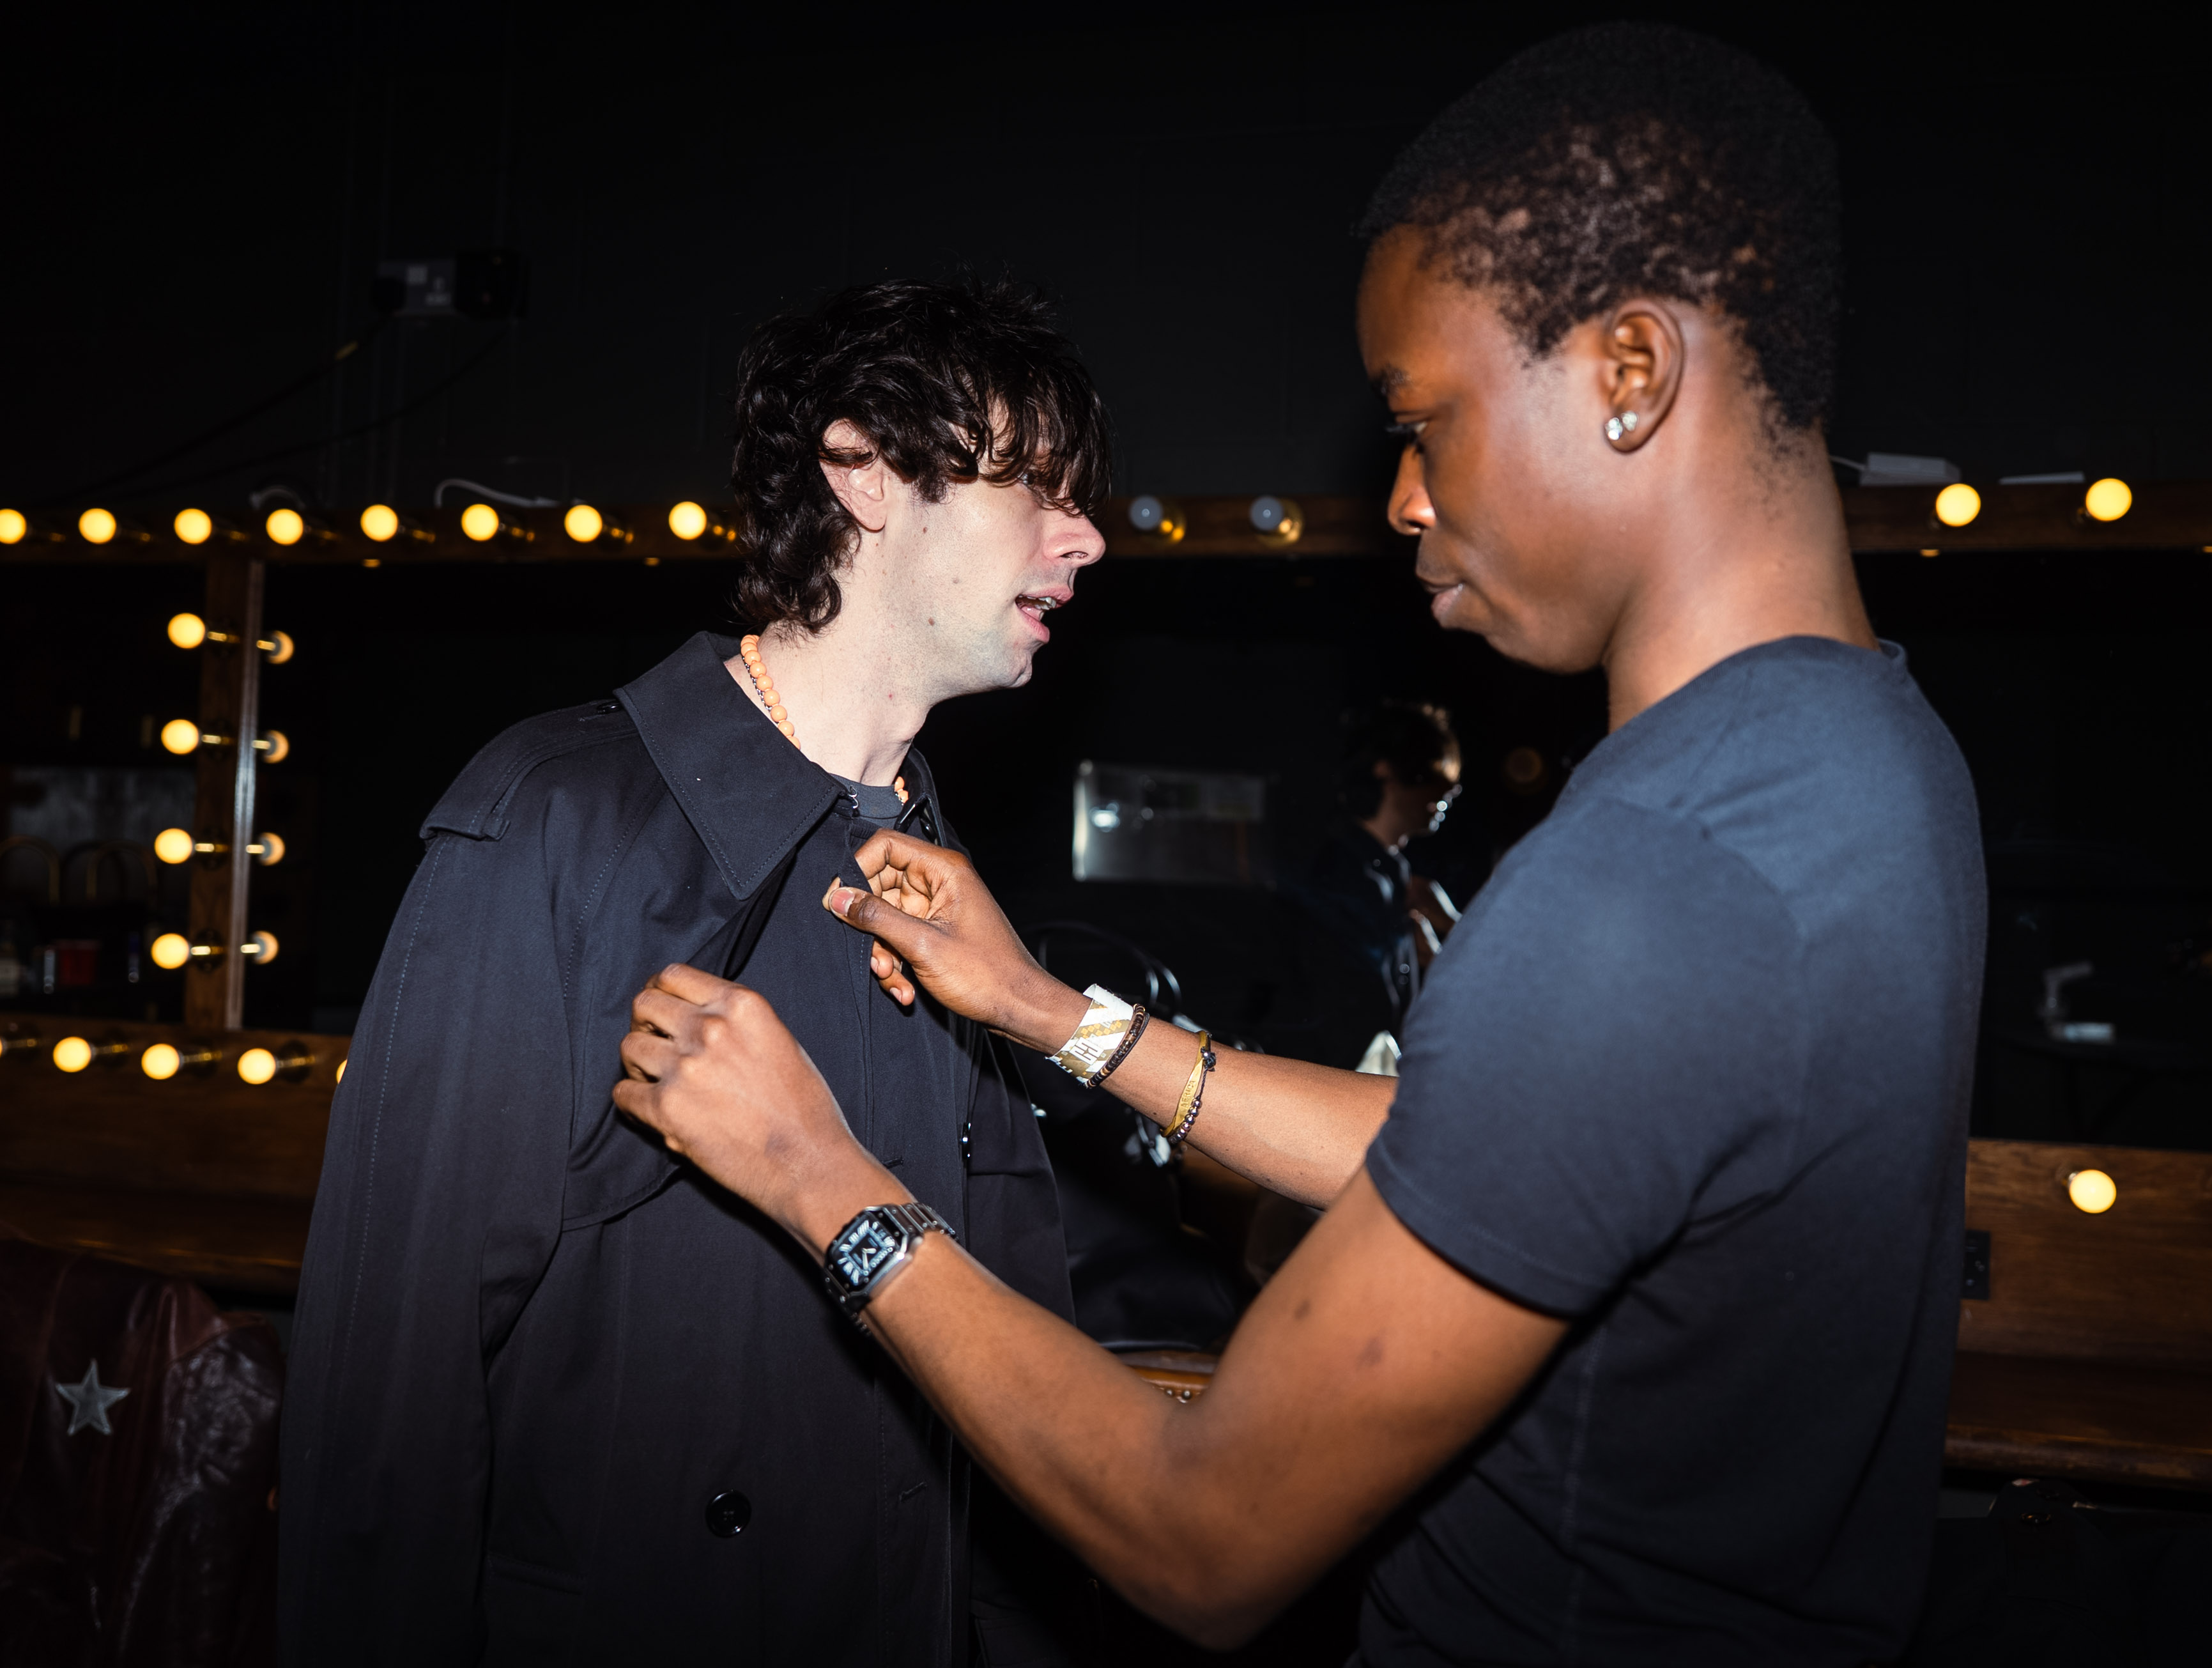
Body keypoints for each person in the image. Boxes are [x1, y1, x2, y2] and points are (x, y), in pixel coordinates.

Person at [616, 24, 1985, 1667]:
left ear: (1629, 372)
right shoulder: (1870, 756)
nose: (1402, 495)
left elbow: (1199, 1533)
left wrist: (820, 1176)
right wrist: (1053, 1014)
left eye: (1424, 418)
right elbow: (1498, 1141)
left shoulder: (1648, 879)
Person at [279, 279, 1109, 1665]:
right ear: (863, 472)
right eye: (1036, 483)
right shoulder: (554, 817)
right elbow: (392, 1384)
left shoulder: (943, 875)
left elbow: (1009, 1332)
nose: (1083, 536)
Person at [1296, 701, 1464, 1047]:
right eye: (1433, 774)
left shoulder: (1395, 875)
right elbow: (1360, 1011)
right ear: (1387, 773)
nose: (1447, 792)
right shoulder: (1345, 876)